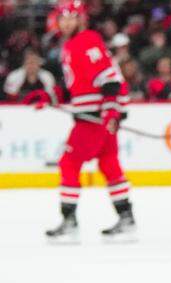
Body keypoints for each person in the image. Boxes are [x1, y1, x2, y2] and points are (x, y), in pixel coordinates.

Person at [44, 0, 135, 242]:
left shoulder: (86, 40)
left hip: (94, 118)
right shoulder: (72, 44)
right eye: (61, 18)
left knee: (69, 163)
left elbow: (110, 79)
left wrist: (111, 112)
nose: (65, 23)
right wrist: (48, 96)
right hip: (98, 115)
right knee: (109, 164)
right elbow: (77, 85)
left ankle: (69, 220)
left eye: (70, 17)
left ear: (80, 18)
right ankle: (127, 219)